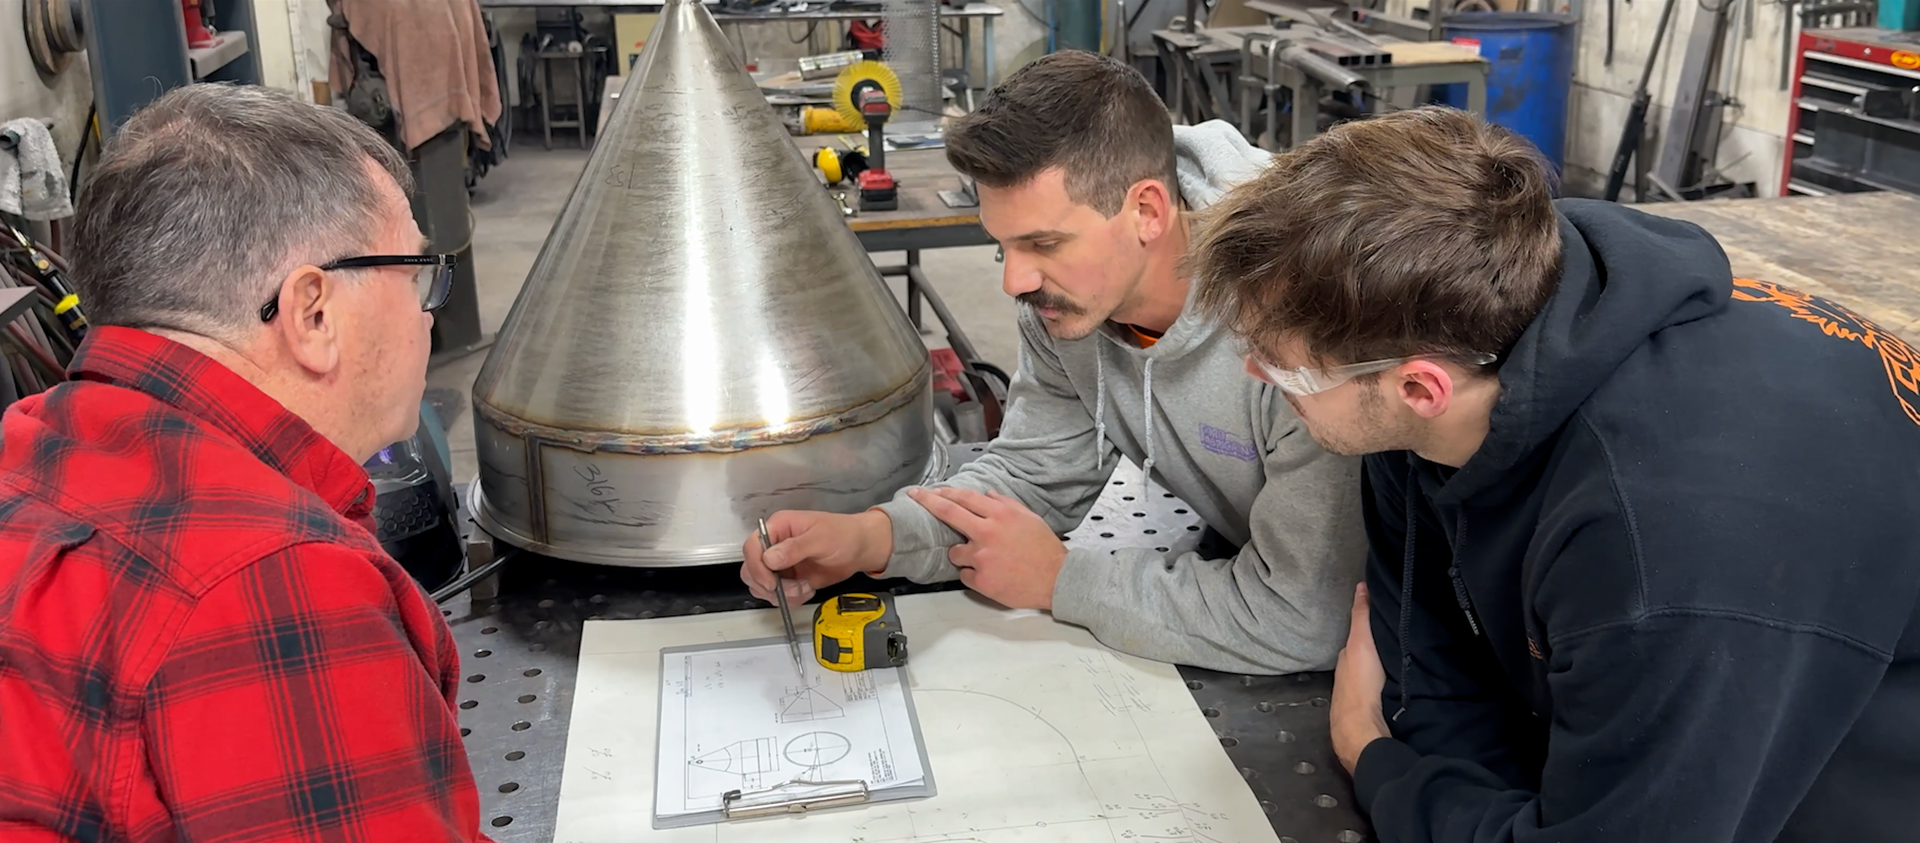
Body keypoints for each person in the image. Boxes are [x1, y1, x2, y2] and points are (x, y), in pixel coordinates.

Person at [1189, 105, 1920, 842]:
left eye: (1282, 366)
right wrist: (1458, 793)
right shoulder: (1460, 341)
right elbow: (1433, 664)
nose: (1255, 372)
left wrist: (1375, 758)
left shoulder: (1662, 551)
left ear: (1419, 387)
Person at [739, 50, 1368, 675]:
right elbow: (1037, 475)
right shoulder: (1068, 303)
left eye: (1044, 243)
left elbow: (1303, 618)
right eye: (1004, 245)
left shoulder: (1299, 318)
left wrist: (1064, 580)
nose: (1016, 280)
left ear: (1146, 211)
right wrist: (876, 538)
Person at [0, 84, 488, 841]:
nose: (428, 313)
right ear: (313, 312)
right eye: (417, 274)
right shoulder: (276, 580)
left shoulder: (31, 448)